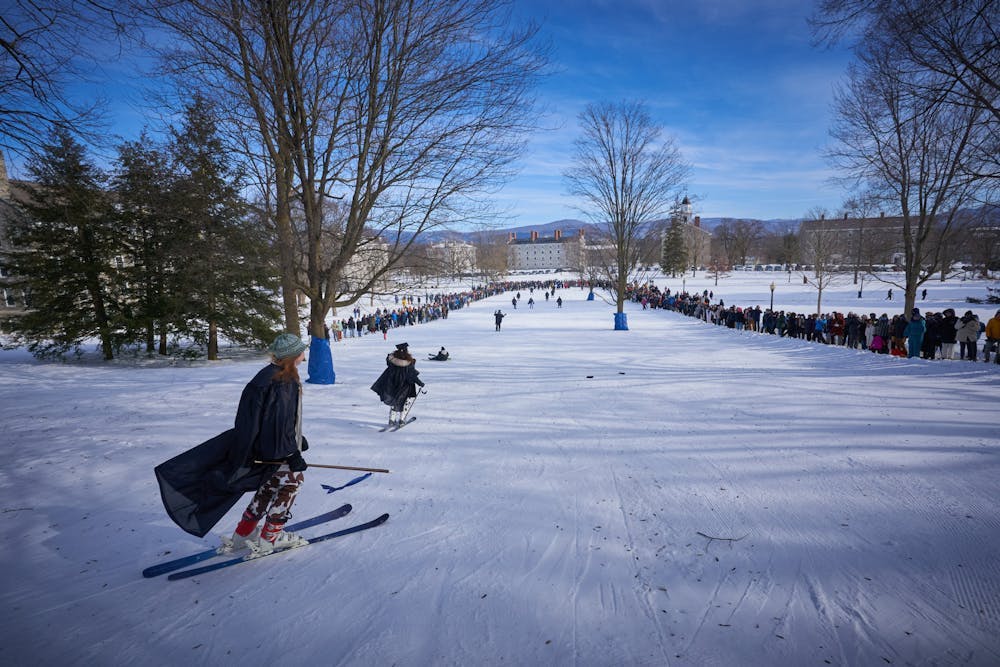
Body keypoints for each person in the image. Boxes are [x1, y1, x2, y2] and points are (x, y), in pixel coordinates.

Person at [154, 333, 311, 554]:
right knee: (293, 480)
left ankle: (243, 533)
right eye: (301, 351)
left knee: (272, 480)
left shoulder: (267, 376)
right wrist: (291, 452)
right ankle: (270, 538)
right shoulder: (283, 383)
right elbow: (276, 423)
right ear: (292, 356)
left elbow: (271, 421)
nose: (304, 356)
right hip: (269, 449)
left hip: (255, 447)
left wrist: (295, 439)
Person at [370, 342, 425, 427]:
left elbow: (388, 361)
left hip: (392, 385)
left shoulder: (392, 361)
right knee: (405, 402)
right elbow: (412, 375)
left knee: (394, 401)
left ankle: (392, 420)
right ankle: (402, 420)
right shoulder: (409, 363)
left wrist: (391, 356)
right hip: (405, 387)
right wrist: (420, 383)